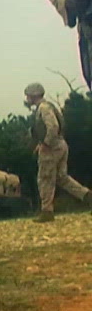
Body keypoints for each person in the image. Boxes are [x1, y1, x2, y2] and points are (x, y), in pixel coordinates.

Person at [24, 82, 91, 222]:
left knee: (45, 179)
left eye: (28, 96)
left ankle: (47, 211)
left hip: (52, 148)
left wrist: (46, 144)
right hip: (60, 145)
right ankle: (87, 196)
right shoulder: (48, 106)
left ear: (33, 95)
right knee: (62, 178)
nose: (27, 99)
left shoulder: (43, 108)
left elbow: (53, 126)